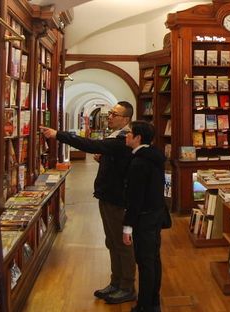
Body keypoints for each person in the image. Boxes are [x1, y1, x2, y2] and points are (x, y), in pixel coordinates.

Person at [40, 101, 136, 304]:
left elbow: (91, 145)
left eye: (114, 114)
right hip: (107, 195)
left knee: (121, 243)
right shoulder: (116, 138)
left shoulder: (122, 139)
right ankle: (116, 282)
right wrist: (106, 160)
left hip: (117, 199)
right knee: (111, 242)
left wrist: (58, 134)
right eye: (110, 112)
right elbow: (119, 164)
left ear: (126, 119)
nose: (109, 116)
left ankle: (127, 286)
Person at [122, 121, 166, 312]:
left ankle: (145, 306)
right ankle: (153, 301)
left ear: (138, 138)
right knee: (154, 259)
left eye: (129, 133)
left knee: (145, 262)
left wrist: (127, 227)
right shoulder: (154, 157)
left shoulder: (139, 163)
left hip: (144, 217)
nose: (126, 136)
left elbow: (135, 198)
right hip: (156, 214)